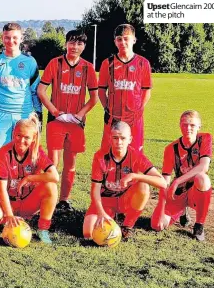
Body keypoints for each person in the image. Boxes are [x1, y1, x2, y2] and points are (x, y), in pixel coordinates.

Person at [37, 29, 99, 213]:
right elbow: (41, 91)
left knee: (70, 164)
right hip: (56, 120)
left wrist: (79, 115)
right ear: (66, 44)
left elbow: (94, 98)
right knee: (53, 162)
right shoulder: (54, 63)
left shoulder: (88, 67)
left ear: (84, 46)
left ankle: (64, 200)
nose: (75, 46)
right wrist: (55, 111)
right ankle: (48, 197)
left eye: (79, 43)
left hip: (76, 123)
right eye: (72, 42)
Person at [0, 115, 59, 244]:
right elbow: (1, 189)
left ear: (34, 138)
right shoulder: (4, 152)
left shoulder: (37, 152)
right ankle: (12, 219)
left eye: (27, 137)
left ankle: (42, 230)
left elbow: (55, 176)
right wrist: (9, 214)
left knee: (51, 187)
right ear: (13, 133)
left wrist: (29, 178)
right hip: (7, 200)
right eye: (18, 135)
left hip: (27, 201)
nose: (21, 140)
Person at [0, 22, 42, 188]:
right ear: (2, 38)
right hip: (0, 113)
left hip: (24, 114)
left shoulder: (29, 62)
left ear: (21, 38)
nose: (11, 41)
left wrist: (38, 114)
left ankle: (24, 189)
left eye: (15, 37)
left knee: (27, 151)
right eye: (7, 37)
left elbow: (35, 90)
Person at [83, 121, 166, 240]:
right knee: (88, 233)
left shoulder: (136, 156)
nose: (119, 142)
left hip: (126, 200)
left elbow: (162, 183)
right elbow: (95, 190)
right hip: (106, 201)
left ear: (130, 139)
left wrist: (135, 176)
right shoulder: (100, 157)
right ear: (110, 138)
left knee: (143, 185)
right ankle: (110, 215)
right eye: (115, 138)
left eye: (123, 138)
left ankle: (127, 225)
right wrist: (101, 212)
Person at [151, 110, 213, 241]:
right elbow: (166, 179)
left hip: (195, 191)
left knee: (202, 178)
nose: (188, 128)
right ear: (180, 125)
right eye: (184, 124)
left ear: (199, 126)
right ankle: (182, 210)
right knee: (157, 225)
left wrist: (177, 181)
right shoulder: (170, 149)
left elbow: (204, 167)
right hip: (179, 192)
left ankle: (199, 226)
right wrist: (162, 204)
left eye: (192, 125)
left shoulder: (205, 138)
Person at [98, 24, 152, 153]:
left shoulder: (143, 63)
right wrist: (108, 109)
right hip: (113, 118)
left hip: (134, 118)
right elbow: (101, 90)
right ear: (115, 41)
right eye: (119, 39)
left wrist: (138, 110)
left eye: (126, 38)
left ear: (134, 40)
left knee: (135, 154)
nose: (123, 42)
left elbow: (146, 90)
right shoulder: (108, 63)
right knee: (108, 152)